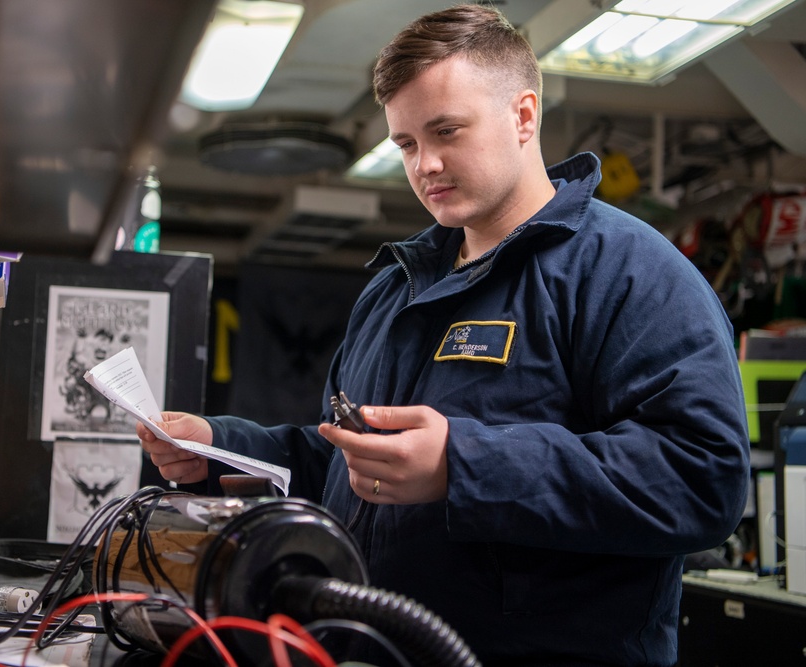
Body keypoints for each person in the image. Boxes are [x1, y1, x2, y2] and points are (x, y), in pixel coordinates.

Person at [137, 4, 750, 665]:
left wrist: (464, 465)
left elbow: (702, 479)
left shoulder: (628, 273)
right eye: (405, 144)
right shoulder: (396, 288)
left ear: (523, 116)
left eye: (447, 131)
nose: (425, 163)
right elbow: (344, 464)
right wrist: (220, 449)